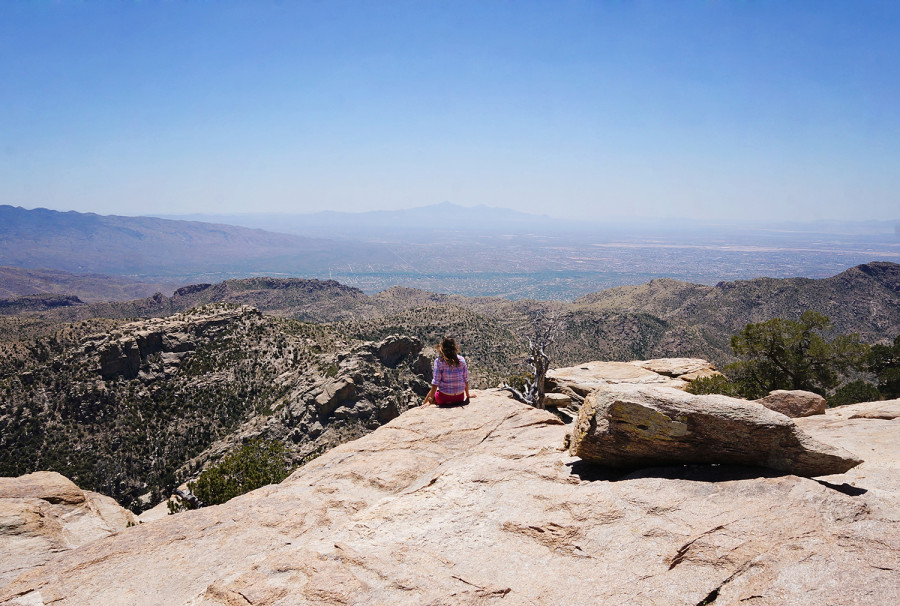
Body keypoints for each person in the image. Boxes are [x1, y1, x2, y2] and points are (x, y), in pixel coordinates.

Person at [422, 336, 475, 406]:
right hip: (459, 398)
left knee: (432, 391)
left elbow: (435, 383)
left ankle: (424, 405)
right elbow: (465, 379)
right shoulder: (461, 360)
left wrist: (430, 400)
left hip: (443, 399)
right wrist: (468, 396)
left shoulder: (439, 362)